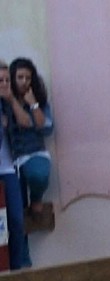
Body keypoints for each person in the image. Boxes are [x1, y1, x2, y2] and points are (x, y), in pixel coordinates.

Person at [7, 57, 52, 214]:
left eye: (28, 77)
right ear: (13, 78)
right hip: (11, 161)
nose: (24, 81)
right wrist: (12, 100)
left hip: (34, 153)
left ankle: (36, 198)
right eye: (20, 77)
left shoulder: (39, 101)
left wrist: (33, 104)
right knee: (15, 211)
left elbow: (46, 127)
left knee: (38, 175)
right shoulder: (5, 101)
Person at [0, 62, 31, 268]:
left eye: (6, 80)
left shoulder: (9, 103)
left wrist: (11, 100)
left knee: (16, 221)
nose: (3, 84)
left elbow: (26, 122)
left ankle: (16, 269)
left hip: (8, 169)